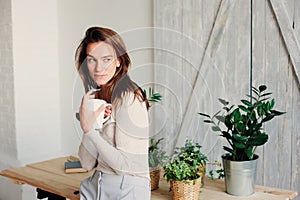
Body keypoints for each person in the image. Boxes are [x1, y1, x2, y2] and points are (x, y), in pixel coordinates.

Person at [75, 26, 150, 200]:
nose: (98, 68)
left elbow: (126, 166)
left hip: (127, 189)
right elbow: (86, 164)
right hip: (96, 186)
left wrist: (89, 131)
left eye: (106, 59)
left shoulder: (129, 98)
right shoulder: (97, 98)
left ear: (119, 61)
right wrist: (92, 123)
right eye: (92, 60)